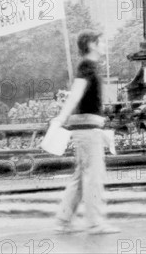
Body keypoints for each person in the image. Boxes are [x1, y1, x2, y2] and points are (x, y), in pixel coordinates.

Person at [52, 30, 119, 234]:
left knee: (81, 176)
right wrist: (61, 118)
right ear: (91, 44)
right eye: (101, 42)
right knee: (93, 176)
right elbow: (76, 94)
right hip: (88, 129)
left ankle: (64, 219)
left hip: (86, 128)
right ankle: (94, 223)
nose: (104, 45)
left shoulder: (87, 66)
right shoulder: (87, 67)